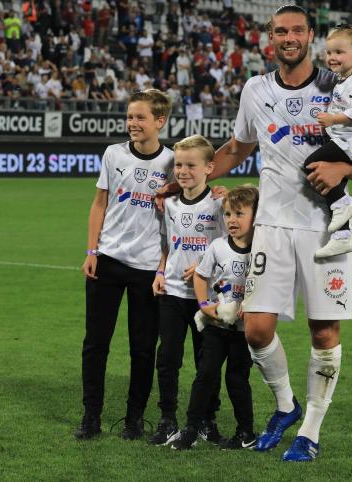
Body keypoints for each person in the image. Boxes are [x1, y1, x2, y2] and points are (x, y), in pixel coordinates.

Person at [205, 5, 352, 462]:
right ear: (270, 37)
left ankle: (310, 431)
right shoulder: (255, 89)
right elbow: (237, 147)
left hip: (324, 228)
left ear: (310, 35)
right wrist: (193, 178)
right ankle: (286, 406)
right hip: (271, 225)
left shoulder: (338, 86)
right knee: (256, 329)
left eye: (297, 30)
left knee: (324, 333)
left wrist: (343, 169)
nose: (289, 38)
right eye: (281, 31)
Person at [75, 89, 176, 441]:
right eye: (130, 116)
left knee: (143, 349)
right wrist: (92, 250)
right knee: (95, 343)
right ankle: (91, 416)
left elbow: (180, 214)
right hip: (107, 261)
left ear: (159, 121)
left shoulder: (173, 162)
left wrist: (162, 268)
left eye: (140, 117)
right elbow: (99, 203)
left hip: (147, 269)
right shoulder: (113, 153)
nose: (132, 123)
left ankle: (134, 419)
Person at [149, 135, 224, 446]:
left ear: (209, 168)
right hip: (173, 292)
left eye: (191, 165)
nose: (183, 171)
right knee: (167, 357)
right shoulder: (170, 204)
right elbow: (169, 243)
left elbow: (231, 246)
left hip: (208, 298)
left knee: (207, 362)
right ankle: (167, 419)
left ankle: (207, 418)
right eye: (179, 165)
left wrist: (205, 269)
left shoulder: (221, 204)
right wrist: (160, 271)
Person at [171, 185, 259, 451]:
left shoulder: (261, 250)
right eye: (228, 214)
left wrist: (252, 305)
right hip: (216, 327)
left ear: (256, 216)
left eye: (240, 214)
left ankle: (246, 432)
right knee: (205, 374)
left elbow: (270, 283)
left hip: (243, 331)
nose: (232, 220)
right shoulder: (218, 246)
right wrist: (204, 304)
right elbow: (200, 275)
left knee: (237, 379)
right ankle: (191, 429)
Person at [303, 24, 352, 258]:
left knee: (310, 165)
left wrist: (332, 119)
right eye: (329, 52)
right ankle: (343, 236)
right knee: (329, 174)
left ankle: (343, 203)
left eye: (339, 52)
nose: (332, 57)